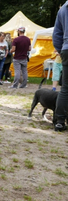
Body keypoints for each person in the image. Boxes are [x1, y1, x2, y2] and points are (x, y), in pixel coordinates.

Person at [52, 2, 68, 132]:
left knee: (65, 88)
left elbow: (56, 35)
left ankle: (60, 122)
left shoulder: (62, 9)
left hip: (66, 49)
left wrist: (62, 51)